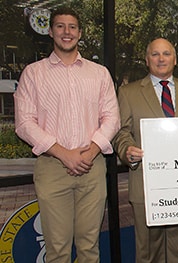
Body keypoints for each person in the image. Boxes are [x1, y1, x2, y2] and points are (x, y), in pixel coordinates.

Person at [14, 7, 120, 262]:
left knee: (89, 248)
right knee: (57, 250)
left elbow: (112, 118)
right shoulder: (33, 73)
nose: (66, 32)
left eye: (72, 27)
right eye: (60, 26)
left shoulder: (99, 73)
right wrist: (65, 155)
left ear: (80, 33)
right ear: (50, 31)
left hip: (91, 167)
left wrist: (90, 152)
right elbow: (25, 123)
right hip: (52, 169)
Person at [113, 38, 178, 262]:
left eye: (166, 54)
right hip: (145, 182)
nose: (161, 59)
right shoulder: (128, 93)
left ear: (175, 59)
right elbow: (121, 132)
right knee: (148, 250)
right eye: (155, 54)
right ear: (146, 60)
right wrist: (127, 151)